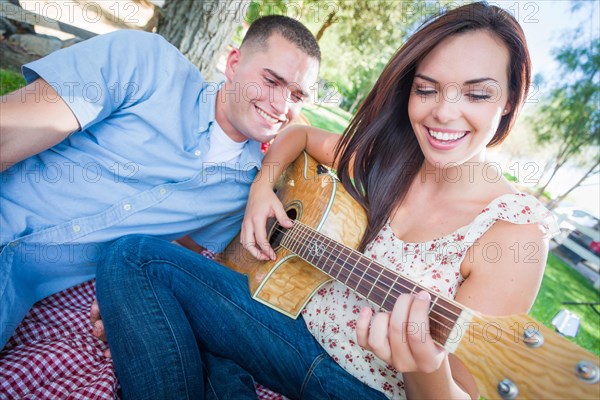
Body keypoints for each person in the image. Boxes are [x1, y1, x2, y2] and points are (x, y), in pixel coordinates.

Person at [96, 2, 558, 399]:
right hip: (288, 325)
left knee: (139, 273)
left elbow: (463, 390)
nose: (444, 111)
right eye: (426, 88)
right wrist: (262, 189)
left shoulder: (514, 231)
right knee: (134, 256)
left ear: (510, 100)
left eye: (477, 93)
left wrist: (424, 365)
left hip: (356, 386)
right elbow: (297, 134)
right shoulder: (391, 161)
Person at [0, 15, 321, 349]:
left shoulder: (243, 190)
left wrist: (136, 300)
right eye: (271, 81)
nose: (281, 106)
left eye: (297, 95)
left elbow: (183, 251)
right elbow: (7, 132)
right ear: (233, 63)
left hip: (12, 288)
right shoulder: (147, 64)